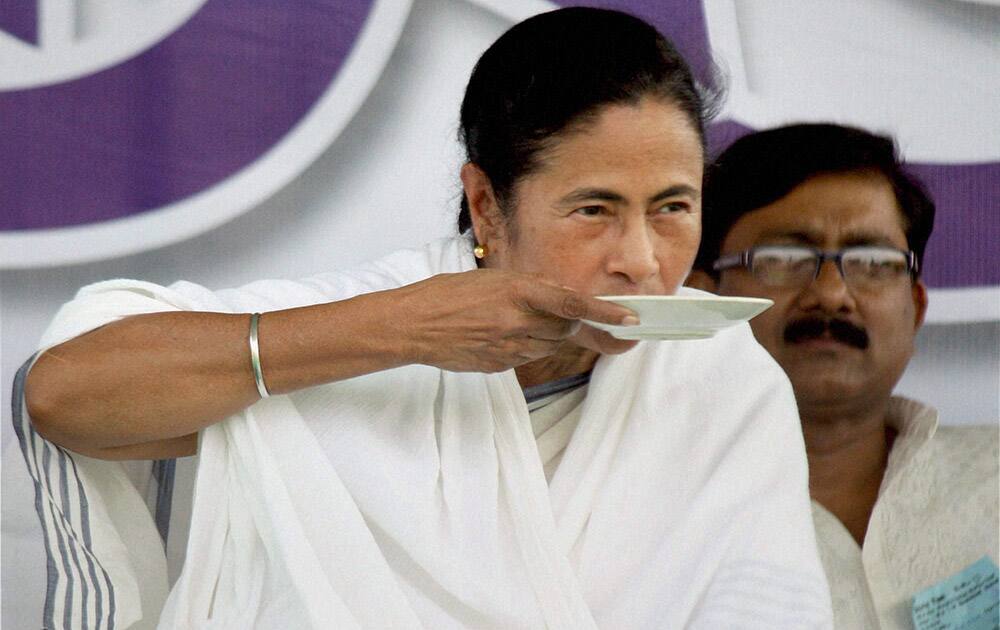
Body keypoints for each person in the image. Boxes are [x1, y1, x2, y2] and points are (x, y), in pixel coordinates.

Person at [20, 9, 832, 629]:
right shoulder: (373, 322)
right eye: (594, 209)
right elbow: (66, 395)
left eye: (672, 207)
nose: (643, 258)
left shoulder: (720, 375)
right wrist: (405, 333)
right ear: (486, 204)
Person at [687, 122, 999, 630]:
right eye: (785, 258)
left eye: (873, 261)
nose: (832, 294)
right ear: (703, 298)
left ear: (916, 309)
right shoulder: (635, 509)